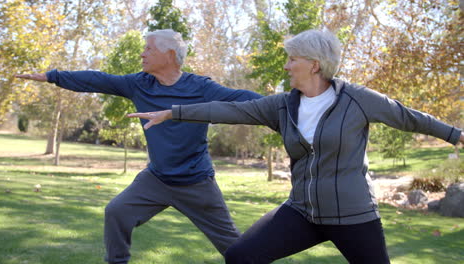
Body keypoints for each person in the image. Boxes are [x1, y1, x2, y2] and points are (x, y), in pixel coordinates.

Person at [127, 29, 464, 264]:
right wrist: (174, 112)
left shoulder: (357, 100)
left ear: (314, 64)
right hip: (302, 211)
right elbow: (229, 110)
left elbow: (407, 117)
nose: (286, 65)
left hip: (354, 216)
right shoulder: (282, 106)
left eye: (292, 59)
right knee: (241, 256)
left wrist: (455, 135)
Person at [15, 29, 262, 264]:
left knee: (235, 249)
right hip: (155, 180)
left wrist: (286, 105)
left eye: (148, 49)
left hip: (197, 183)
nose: (142, 53)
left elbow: (241, 98)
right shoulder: (139, 83)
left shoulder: (200, 87)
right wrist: (53, 77)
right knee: (116, 211)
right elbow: (98, 80)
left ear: (170, 55)